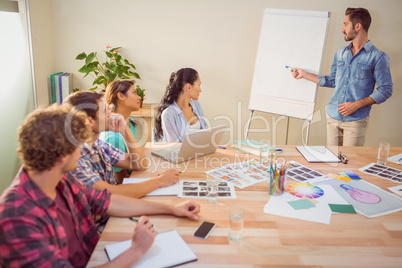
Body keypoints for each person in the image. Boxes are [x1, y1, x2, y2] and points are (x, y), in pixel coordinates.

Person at [0, 104, 200, 267]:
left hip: (94, 254)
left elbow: (109, 202)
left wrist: (172, 209)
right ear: (62, 157)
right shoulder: (16, 217)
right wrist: (136, 250)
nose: (82, 150)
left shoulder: (61, 180)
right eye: (78, 145)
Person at [291, 7, 393, 146]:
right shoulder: (340, 54)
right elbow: (332, 80)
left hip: (355, 121)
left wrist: (356, 105)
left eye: (345, 24)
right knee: (332, 162)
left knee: (350, 163)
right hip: (332, 117)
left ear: (357, 26)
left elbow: (385, 90)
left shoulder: (378, 57)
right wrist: (304, 75)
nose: (342, 29)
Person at [64, 91, 180, 198]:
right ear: (89, 121)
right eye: (105, 111)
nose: (110, 113)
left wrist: (125, 130)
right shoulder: (75, 158)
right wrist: (159, 181)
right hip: (108, 216)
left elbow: (139, 164)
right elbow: (111, 193)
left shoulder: (98, 145)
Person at [100, 79, 144, 183]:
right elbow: (122, 181)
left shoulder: (129, 123)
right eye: (134, 92)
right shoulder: (112, 137)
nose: (139, 97)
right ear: (121, 96)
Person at [154, 68, 207, 142]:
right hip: (177, 153)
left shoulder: (197, 105)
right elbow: (174, 147)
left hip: (198, 152)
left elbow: (204, 134)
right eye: (199, 85)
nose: (200, 90)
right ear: (188, 87)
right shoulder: (169, 114)